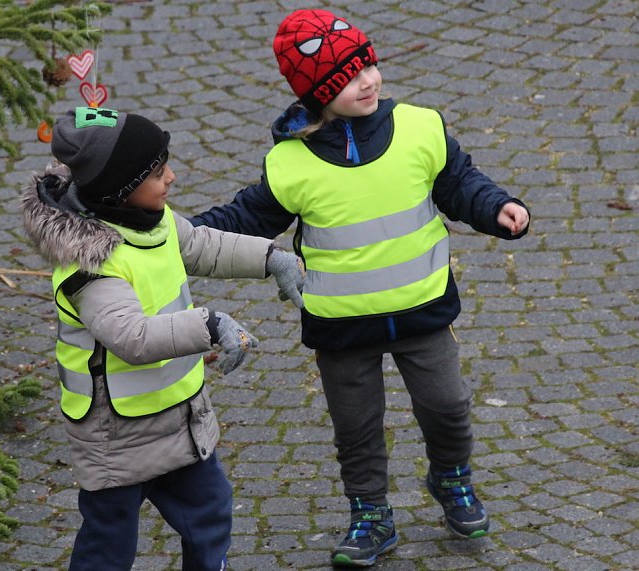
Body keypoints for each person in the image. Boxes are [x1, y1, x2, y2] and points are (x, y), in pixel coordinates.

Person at [189, 8, 531, 568]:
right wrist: (181, 237)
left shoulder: (420, 127)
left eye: (369, 65)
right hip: (341, 327)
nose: (369, 81)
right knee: (356, 428)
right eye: (348, 77)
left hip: (423, 312)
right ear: (318, 94)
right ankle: (371, 513)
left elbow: (460, 183)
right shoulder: (291, 163)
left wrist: (497, 207)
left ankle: (451, 478)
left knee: (448, 405)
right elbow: (246, 217)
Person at [21, 106, 305, 571]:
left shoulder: (153, 220)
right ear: (121, 189)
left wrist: (269, 257)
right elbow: (131, 337)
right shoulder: (91, 264)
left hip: (178, 415)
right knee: (108, 548)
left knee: (210, 514)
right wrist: (209, 325)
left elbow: (201, 245)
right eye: (157, 172)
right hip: (116, 434)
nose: (171, 177)